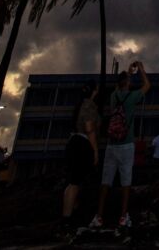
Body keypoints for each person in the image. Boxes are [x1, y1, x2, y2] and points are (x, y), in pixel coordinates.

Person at [90, 61, 151, 235]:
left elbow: (120, 86)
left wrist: (128, 74)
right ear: (128, 83)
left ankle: (99, 216)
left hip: (112, 145)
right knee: (126, 182)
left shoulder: (113, 97)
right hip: (126, 144)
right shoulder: (132, 97)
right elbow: (147, 85)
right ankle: (123, 216)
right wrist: (141, 69)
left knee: (106, 181)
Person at [61, 83, 99, 234]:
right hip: (82, 144)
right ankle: (67, 220)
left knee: (72, 183)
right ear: (94, 91)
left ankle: (68, 216)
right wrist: (95, 150)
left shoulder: (80, 105)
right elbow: (89, 128)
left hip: (73, 142)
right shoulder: (89, 105)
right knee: (75, 183)